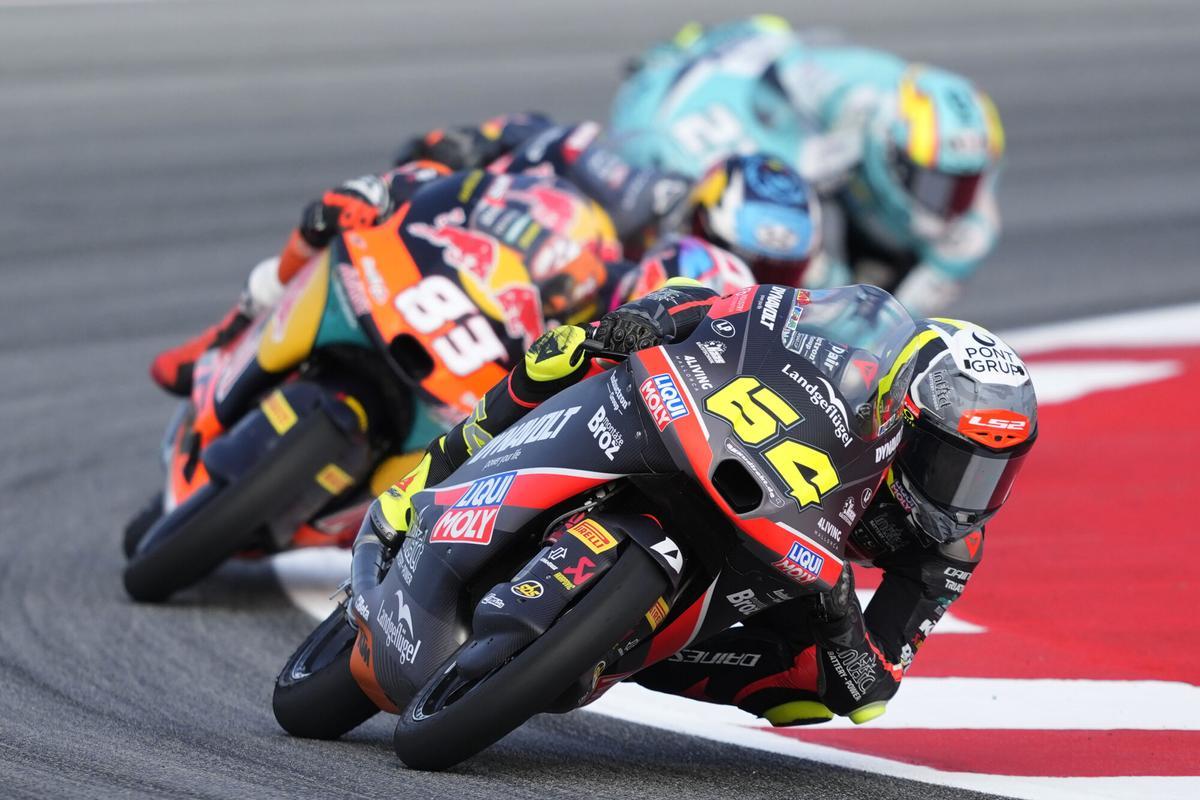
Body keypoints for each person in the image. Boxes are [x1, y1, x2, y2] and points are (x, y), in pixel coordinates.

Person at [356, 280, 1038, 725]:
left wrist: (836, 612)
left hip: (793, 556)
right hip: (730, 445)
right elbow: (736, 308)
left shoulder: (949, 547)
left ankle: (622, 649)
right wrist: (645, 321)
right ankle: (429, 479)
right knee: (566, 352)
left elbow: (872, 686)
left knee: (809, 690)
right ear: (900, 415)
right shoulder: (855, 355)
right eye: (951, 465)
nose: (963, 495)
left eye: (990, 475)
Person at [150, 114, 813, 396]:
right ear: (702, 212)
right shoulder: (633, 188)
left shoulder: (749, 316)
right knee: (365, 199)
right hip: (475, 268)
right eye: (744, 253)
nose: (755, 277)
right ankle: (230, 330)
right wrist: (462, 144)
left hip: (531, 359)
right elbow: (541, 138)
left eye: (781, 272)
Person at [609, 15, 1006, 316]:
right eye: (938, 187)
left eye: (965, 186)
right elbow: (775, 61)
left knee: (873, 297)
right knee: (760, 230)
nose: (953, 205)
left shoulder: (961, 194)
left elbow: (900, 316)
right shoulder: (835, 90)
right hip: (713, 110)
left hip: (828, 140)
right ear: (891, 156)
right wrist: (820, 282)